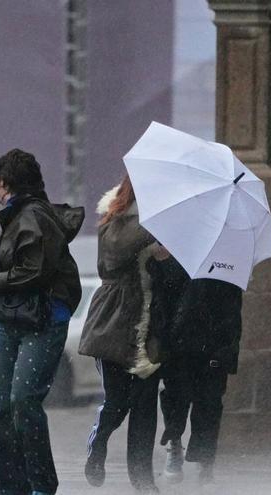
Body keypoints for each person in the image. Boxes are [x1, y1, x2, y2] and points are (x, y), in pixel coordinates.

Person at [0, 148, 84, 495]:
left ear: (9, 183)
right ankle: (11, 489)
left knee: (23, 400)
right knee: (2, 410)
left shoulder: (36, 217)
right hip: (10, 318)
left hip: (43, 320)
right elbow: (1, 262)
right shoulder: (8, 219)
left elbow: (35, 271)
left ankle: (41, 486)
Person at [77, 176, 168, 493]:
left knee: (145, 406)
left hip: (149, 326)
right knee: (117, 402)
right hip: (114, 321)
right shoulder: (115, 217)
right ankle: (98, 443)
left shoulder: (162, 224)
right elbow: (116, 252)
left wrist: (167, 255)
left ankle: (143, 481)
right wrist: (153, 233)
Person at [157, 277, 243, 485]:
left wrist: (226, 352)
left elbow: (232, 314)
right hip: (180, 345)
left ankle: (205, 462)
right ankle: (175, 444)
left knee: (209, 404)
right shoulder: (176, 265)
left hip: (213, 346)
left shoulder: (226, 272)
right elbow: (163, 302)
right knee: (175, 399)